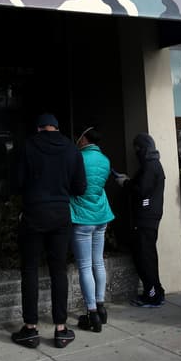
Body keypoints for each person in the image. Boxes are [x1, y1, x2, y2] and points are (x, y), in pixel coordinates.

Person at [9, 113, 86, 349]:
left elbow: (17, 183)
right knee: (58, 271)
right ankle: (61, 329)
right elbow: (80, 187)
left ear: (39, 128)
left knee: (30, 270)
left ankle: (30, 329)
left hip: (33, 213)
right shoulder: (71, 149)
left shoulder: (28, 146)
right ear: (57, 128)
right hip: (61, 215)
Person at [71, 127, 115, 331]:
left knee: (85, 266)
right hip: (101, 215)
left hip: (82, 217)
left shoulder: (77, 158)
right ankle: (101, 306)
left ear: (84, 139)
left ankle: (92, 314)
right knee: (98, 262)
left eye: (78, 138)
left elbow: (73, 185)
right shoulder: (105, 160)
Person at [126, 133, 166, 310]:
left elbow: (142, 190)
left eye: (137, 148)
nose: (136, 152)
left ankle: (152, 294)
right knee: (148, 255)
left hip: (146, 217)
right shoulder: (154, 163)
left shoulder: (150, 166)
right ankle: (156, 291)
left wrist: (126, 183)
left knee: (145, 257)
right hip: (150, 216)